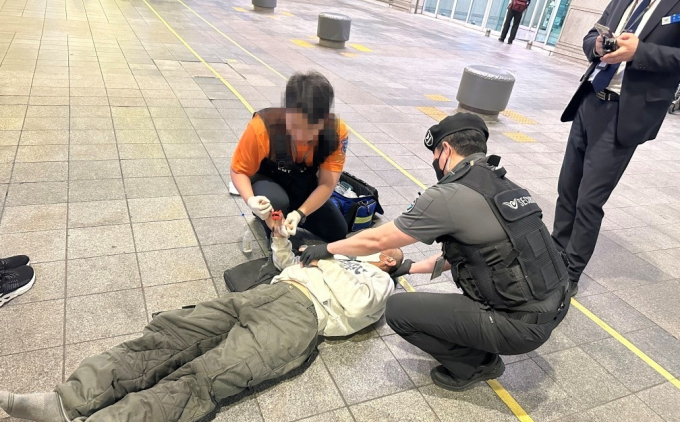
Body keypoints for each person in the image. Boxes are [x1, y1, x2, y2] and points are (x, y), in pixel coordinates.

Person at [1, 213, 402, 422]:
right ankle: (65, 401)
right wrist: (282, 240)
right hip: (262, 294)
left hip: (300, 318)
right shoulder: (339, 252)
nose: (376, 244)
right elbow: (285, 265)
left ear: (389, 262)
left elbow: (357, 306)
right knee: (168, 336)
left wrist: (332, 254)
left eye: (387, 249)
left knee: (203, 377)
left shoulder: (378, 283)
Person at [300, 114, 571, 392]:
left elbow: (378, 239)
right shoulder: (504, 186)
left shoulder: (450, 195)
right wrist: (407, 268)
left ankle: (474, 365)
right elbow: (473, 255)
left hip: (519, 325)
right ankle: (483, 345)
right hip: (554, 307)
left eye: (435, 154)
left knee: (398, 310)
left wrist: (327, 249)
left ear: (446, 150)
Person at [553, 0, 680, 296]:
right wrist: (596, 46)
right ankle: (554, 253)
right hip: (590, 99)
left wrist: (641, 52)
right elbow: (589, 36)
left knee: (588, 200)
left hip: (624, 112)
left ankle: (570, 272)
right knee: (567, 188)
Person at [230, 70, 350, 243]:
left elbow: (327, 183)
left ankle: (292, 212)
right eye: (293, 125)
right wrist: (251, 200)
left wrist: (300, 213)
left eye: (310, 129)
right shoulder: (263, 126)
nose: (300, 135)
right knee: (278, 206)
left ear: (325, 120)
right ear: (285, 111)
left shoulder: (336, 132)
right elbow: (238, 170)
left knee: (337, 231)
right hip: (268, 183)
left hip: (304, 186)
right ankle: (267, 217)